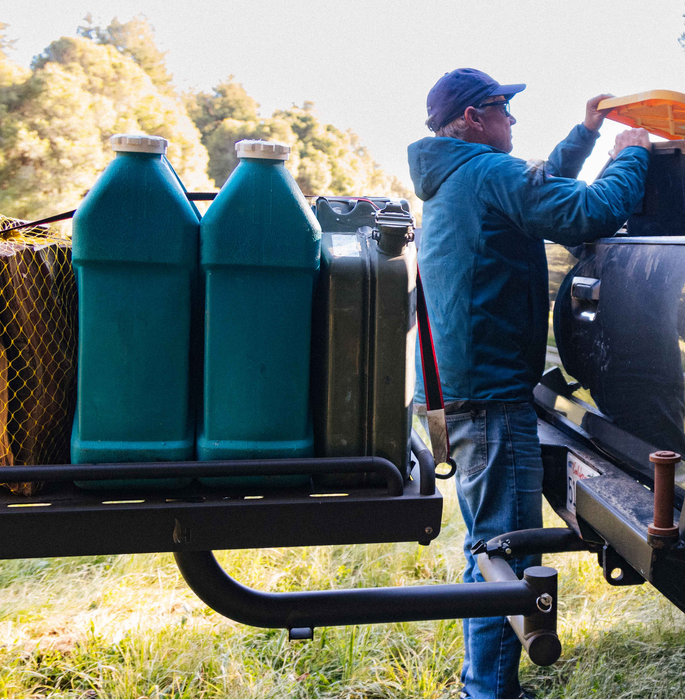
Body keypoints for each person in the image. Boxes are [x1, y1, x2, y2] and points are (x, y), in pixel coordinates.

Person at [408, 68, 651, 699]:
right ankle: (488, 692)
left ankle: (483, 685)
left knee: (489, 549)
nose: (513, 120)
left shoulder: (457, 177)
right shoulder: (489, 174)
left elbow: (537, 187)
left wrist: (589, 133)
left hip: (459, 394)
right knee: (503, 557)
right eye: (504, 109)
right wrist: (631, 156)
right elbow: (590, 210)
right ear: (472, 118)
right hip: (490, 401)